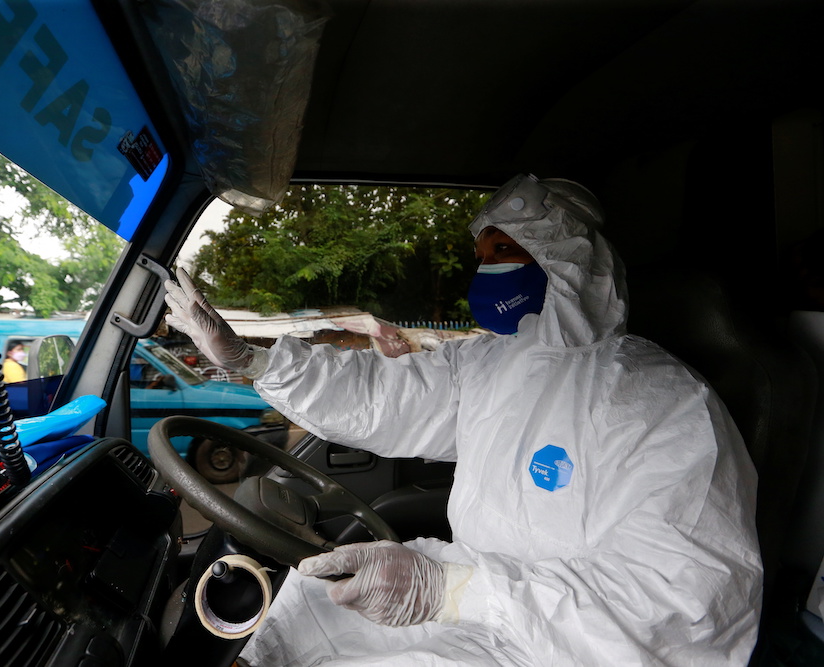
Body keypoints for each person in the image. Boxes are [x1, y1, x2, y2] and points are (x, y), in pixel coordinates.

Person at [164, 174, 762, 665]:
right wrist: (252, 360)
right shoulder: (494, 364)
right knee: (309, 608)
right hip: (486, 605)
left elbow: (682, 609)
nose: (488, 271)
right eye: (482, 256)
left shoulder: (661, 402)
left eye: (505, 251)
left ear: (564, 256)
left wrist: (448, 591)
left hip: (570, 646)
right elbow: (378, 397)